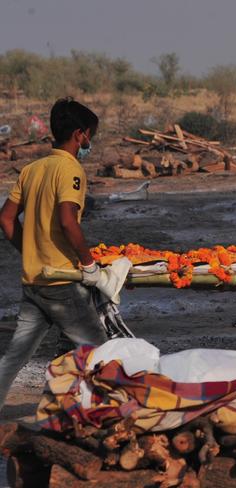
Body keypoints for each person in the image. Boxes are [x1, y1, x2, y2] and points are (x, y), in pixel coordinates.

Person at [0, 97, 108, 412]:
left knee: (16, 354)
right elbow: (67, 220)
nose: (90, 142)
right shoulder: (70, 169)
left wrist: (30, 249)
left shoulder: (31, 170)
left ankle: (63, 399)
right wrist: (89, 265)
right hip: (62, 282)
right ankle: (101, 408)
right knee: (99, 349)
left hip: (33, 280)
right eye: (90, 136)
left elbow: (6, 219)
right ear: (79, 134)